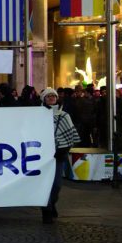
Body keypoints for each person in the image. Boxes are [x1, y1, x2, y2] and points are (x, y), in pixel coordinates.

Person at [41, 88, 80, 224]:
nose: (51, 98)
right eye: (48, 96)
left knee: (57, 184)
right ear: (43, 99)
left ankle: (51, 203)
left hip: (58, 155)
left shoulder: (64, 115)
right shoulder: (37, 115)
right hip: (41, 156)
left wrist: (63, 149)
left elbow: (70, 136)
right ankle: (46, 210)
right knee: (43, 184)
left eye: (53, 96)